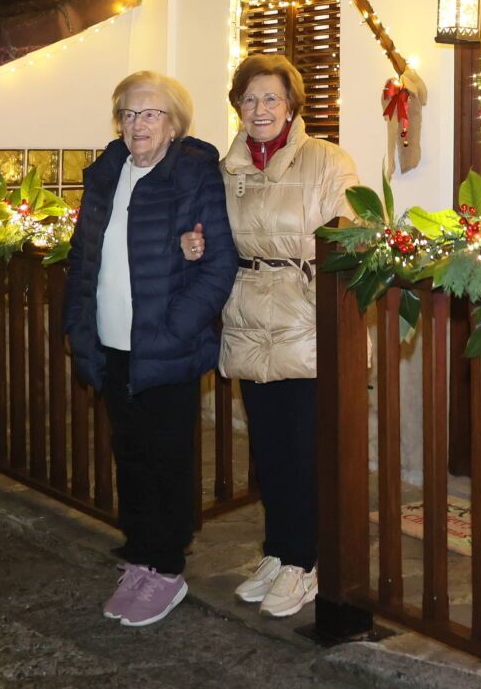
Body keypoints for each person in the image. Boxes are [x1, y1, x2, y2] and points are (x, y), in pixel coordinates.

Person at [182, 54, 356, 619]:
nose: (260, 109)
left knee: (306, 451)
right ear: (237, 106)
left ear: (291, 105)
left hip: (305, 316)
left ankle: (307, 563)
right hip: (247, 316)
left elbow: (352, 231)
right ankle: (280, 552)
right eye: (249, 99)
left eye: (271, 99)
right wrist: (194, 245)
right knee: (269, 450)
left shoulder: (327, 159)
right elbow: (206, 230)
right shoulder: (224, 169)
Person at [62, 71, 236, 629]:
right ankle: (139, 558)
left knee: (167, 461)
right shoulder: (106, 172)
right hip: (111, 345)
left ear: (174, 122)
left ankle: (167, 568)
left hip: (165, 348)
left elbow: (217, 265)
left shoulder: (194, 173)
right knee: (130, 457)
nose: (139, 124)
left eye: (152, 113)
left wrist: (174, 331)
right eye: (130, 114)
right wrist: (78, 327)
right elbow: (82, 259)